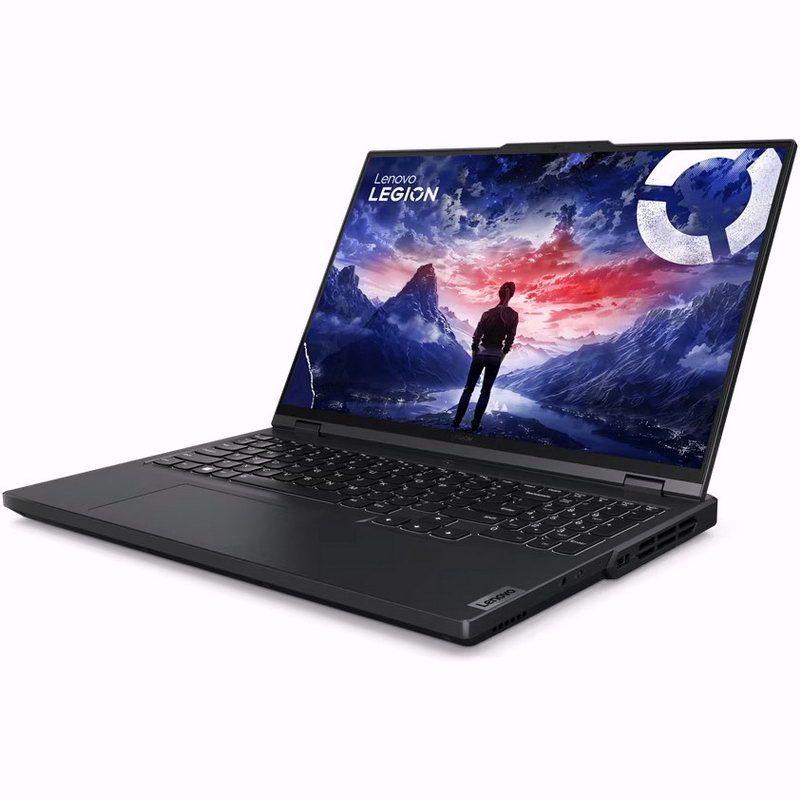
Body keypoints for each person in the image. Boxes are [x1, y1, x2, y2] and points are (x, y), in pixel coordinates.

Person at [452, 281, 519, 431]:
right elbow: (510, 339)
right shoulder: (513, 315)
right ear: (512, 295)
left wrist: (475, 351)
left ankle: (456, 422)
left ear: (499, 294)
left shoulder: (487, 314)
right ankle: (475, 425)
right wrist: (502, 355)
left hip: (481, 354)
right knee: (485, 392)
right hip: (495, 357)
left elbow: (476, 337)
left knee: (468, 389)